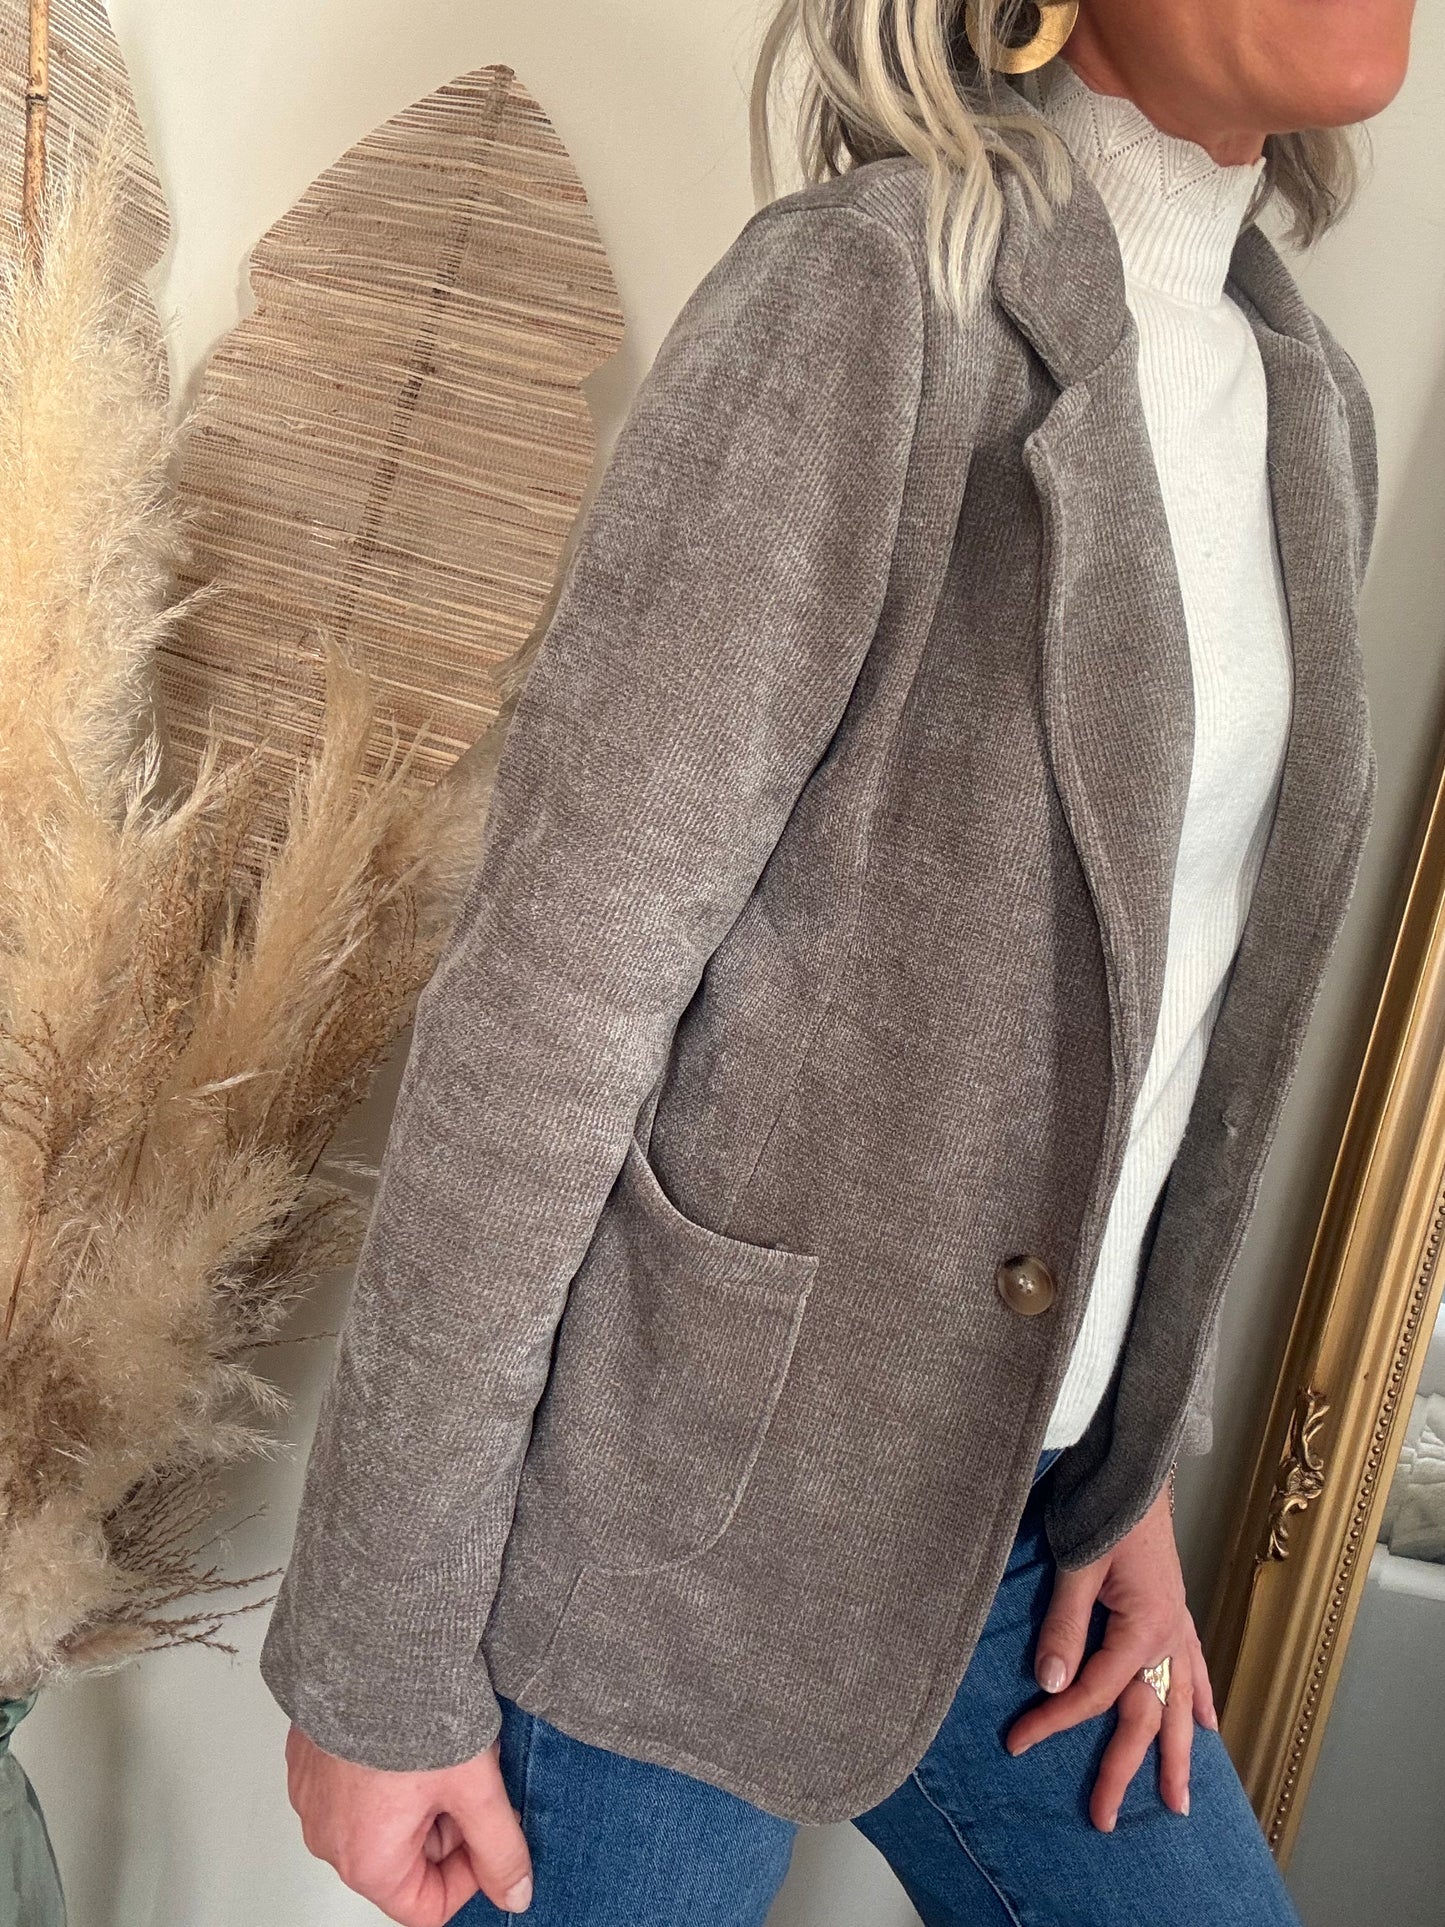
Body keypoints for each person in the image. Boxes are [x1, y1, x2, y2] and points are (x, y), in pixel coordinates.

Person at [258, 1, 1414, 1921]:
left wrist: (1127, 1458)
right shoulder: (863, 300)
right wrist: (376, 1663)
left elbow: (1179, 1013)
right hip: (670, 1538)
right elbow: (554, 993)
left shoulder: (1308, 407)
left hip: (1019, 1533)